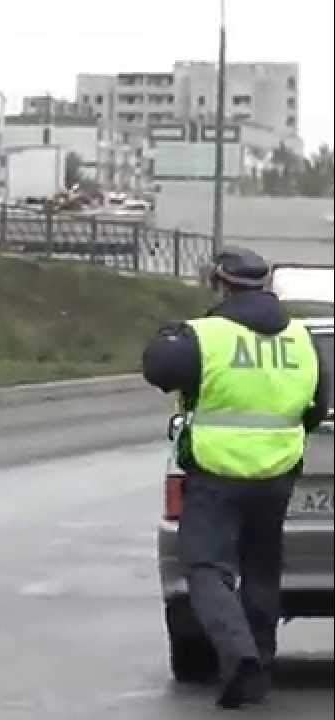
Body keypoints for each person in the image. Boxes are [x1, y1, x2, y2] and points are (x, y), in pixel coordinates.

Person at [142, 246, 330, 709]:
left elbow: (158, 368)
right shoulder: (300, 340)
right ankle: (260, 664)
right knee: (262, 568)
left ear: (220, 284)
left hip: (217, 471)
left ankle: (239, 654)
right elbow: (318, 405)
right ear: (265, 286)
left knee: (206, 567)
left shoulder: (205, 336)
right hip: (276, 474)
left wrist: (172, 337)